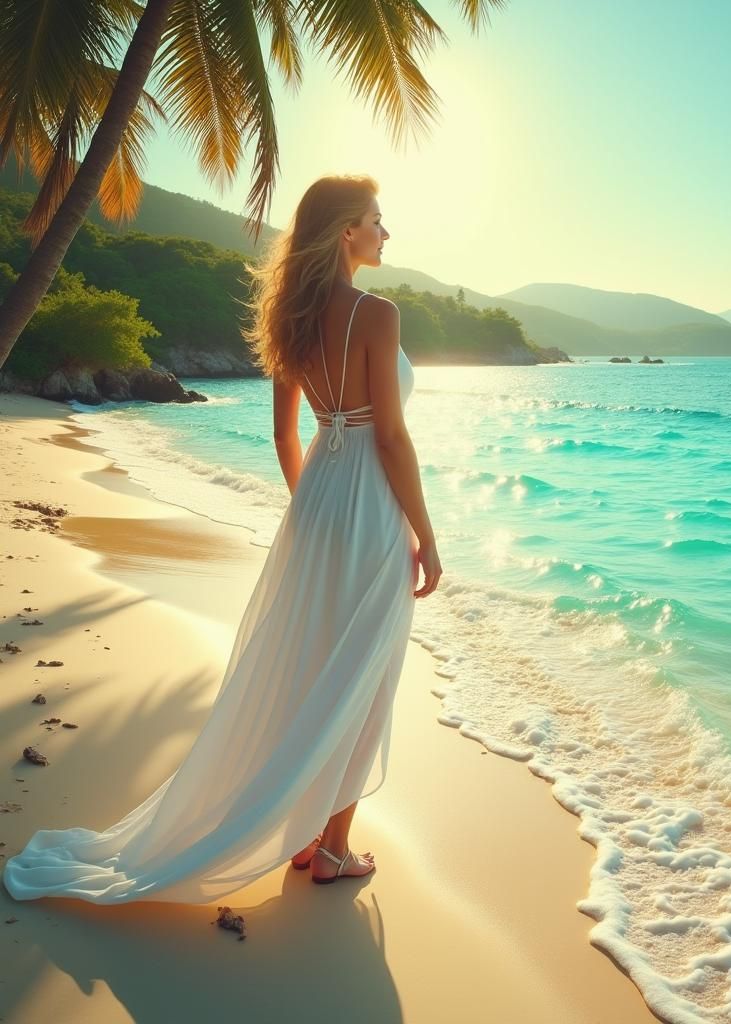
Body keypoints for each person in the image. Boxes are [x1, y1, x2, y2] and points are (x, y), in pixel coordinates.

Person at [2, 174, 442, 902]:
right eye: (376, 220)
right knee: (362, 675)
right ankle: (331, 848)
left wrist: (315, 514)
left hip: (321, 505)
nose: (386, 233)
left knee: (312, 667)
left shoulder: (288, 320)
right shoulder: (378, 313)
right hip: (369, 504)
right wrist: (425, 534)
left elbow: (283, 434)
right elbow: (390, 437)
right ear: (346, 233)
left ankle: (307, 832)